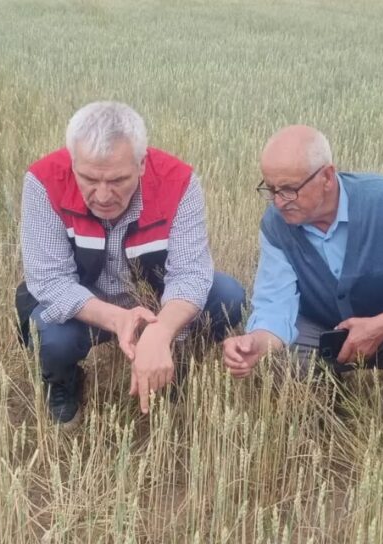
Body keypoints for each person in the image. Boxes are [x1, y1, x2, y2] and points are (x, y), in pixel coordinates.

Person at [16, 101, 244, 423]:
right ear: (72, 162)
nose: (104, 195)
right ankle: (64, 383)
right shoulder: (43, 181)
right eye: (89, 180)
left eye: (118, 180)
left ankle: (175, 361)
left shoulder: (179, 181)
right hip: (87, 306)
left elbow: (191, 274)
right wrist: (120, 320)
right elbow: (51, 281)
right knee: (48, 333)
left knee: (228, 296)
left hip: (154, 300)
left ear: (142, 164)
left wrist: (161, 330)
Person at [223, 125, 383, 418]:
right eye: (271, 189)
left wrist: (382, 326)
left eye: (289, 190)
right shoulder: (276, 224)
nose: (278, 202)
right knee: (281, 355)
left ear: (327, 176)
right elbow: (275, 305)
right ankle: (326, 419)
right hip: (321, 334)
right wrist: (258, 343)